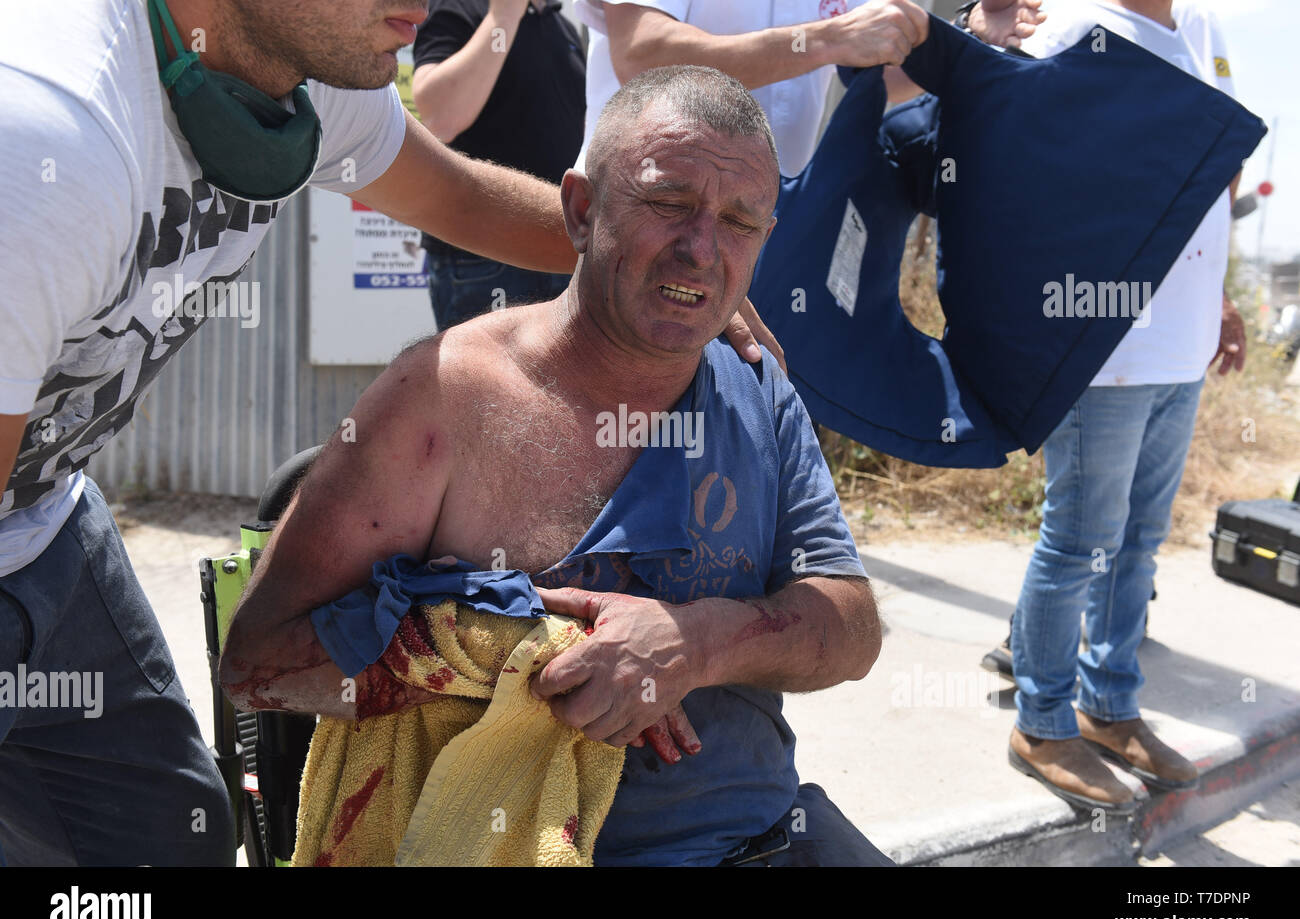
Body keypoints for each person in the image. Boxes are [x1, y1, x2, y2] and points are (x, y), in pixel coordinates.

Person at [0, 0, 773, 867]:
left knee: (162, 844)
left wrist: (660, 261)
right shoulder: (45, 144)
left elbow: (459, 195)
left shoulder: (309, 69)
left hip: (42, 526)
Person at [222, 65, 892, 866]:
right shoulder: (442, 397)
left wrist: (696, 643)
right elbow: (258, 665)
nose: (701, 249)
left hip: (768, 840)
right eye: (669, 204)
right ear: (581, 209)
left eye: (739, 221)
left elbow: (850, 627)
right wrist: (521, 646)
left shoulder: (756, 386)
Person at [994, 0, 1247, 813]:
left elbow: (1216, 182)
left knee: (1138, 545)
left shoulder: (1205, 33)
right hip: (1107, 344)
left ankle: (1110, 709)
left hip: (1183, 341)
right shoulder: (1074, 31)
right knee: (1078, 543)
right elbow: (1020, 178)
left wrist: (1224, 302)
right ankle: (1040, 721)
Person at [574, 0, 1046, 176]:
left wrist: (969, 32)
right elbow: (642, 54)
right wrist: (826, 41)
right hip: (646, 205)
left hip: (761, 225)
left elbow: (881, 70)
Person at [412, 0, 585, 329]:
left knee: (567, 382)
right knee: (484, 381)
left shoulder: (561, 25)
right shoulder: (462, 7)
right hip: (484, 255)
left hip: (563, 252)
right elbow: (440, 117)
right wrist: (504, 15)